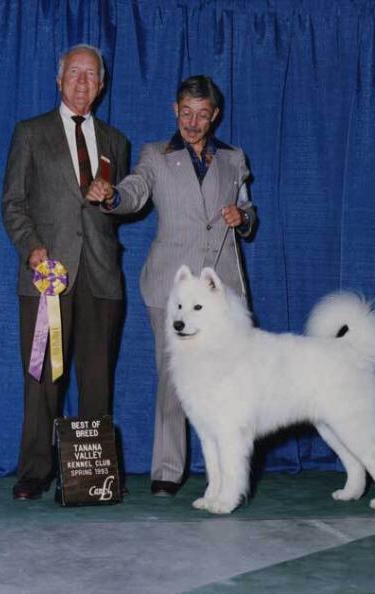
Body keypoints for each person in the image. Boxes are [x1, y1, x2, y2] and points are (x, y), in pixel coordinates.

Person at [87, 75, 257, 496]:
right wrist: (112, 197)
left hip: (222, 289)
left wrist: (244, 218)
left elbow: (249, 210)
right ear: (174, 110)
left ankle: (232, 472)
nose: (194, 122)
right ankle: (166, 470)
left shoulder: (234, 159)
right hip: (172, 287)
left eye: (202, 115)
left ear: (214, 116)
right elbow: (135, 190)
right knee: (173, 376)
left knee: (233, 379)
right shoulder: (155, 156)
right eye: (186, 113)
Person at [1, 44, 130, 501]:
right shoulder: (30, 132)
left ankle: (93, 478)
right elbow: (12, 203)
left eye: (91, 75)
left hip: (101, 278)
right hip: (47, 276)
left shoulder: (116, 142)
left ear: (101, 85)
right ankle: (35, 471)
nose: (82, 82)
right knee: (42, 379)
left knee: (97, 381)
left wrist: (112, 197)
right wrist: (33, 250)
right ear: (59, 80)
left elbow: (117, 207)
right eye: (74, 73)